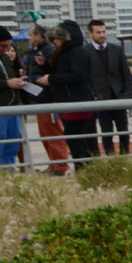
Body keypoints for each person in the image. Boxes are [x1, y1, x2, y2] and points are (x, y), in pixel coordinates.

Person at [44, 21, 97, 167]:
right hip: (69, 101)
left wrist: (51, 79)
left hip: (77, 101)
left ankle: (85, 169)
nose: (55, 41)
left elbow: (78, 76)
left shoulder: (78, 52)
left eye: (58, 37)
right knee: (74, 140)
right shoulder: (64, 53)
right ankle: (83, 169)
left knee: (78, 140)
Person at [21, 24, 70, 174]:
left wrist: (44, 65)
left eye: (31, 35)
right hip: (39, 98)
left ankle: (61, 165)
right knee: (45, 134)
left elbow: (56, 70)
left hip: (49, 98)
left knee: (53, 132)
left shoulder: (49, 51)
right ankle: (53, 164)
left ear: (39, 36)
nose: (29, 38)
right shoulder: (33, 52)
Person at [86, 19, 132, 155]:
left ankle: (125, 155)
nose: (102, 35)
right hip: (100, 99)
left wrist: (127, 95)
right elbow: (86, 78)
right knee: (106, 131)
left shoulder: (116, 50)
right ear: (91, 33)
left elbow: (126, 75)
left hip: (119, 97)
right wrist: (93, 95)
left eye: (104, 31)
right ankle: (110, 155)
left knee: (123, 129)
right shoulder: (86, 52)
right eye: (98, 32)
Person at [0, 26, 23, 169]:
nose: (6, 49)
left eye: (9, 45)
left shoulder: (4, 57)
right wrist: (7, 83)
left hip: (12, 107)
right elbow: (6, 82)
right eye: (3, 46)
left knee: (13, 143)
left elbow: (9, 79)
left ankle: (9, 175)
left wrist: (20, 81)